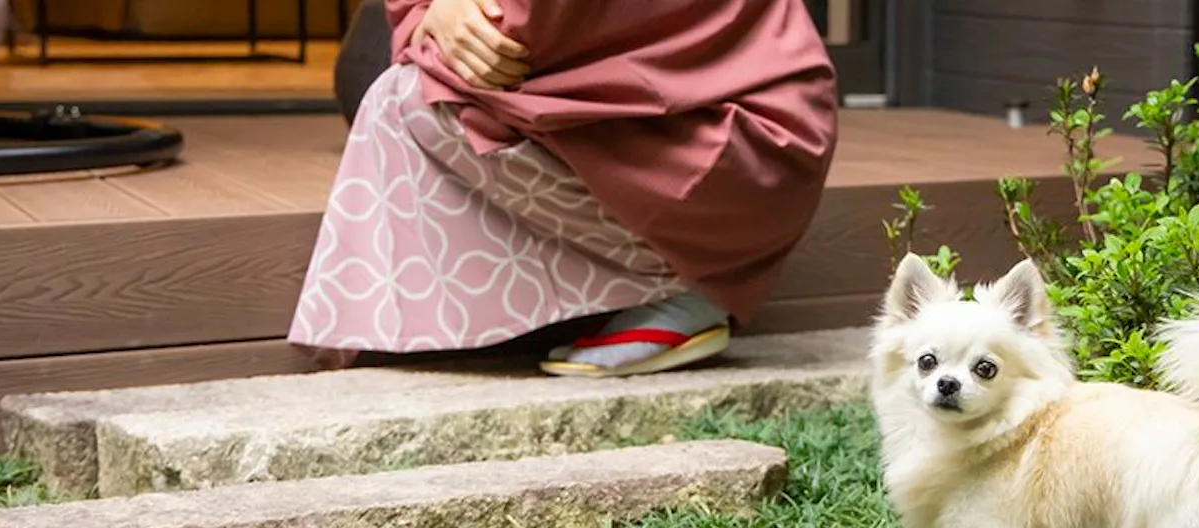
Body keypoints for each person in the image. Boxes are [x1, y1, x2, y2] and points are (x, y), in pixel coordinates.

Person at [289, 0, 840, 377]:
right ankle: (665, 283)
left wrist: (433, 18)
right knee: (416, 84)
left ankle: (682, 285)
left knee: (411, 99)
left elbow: (505, 44)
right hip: (747, 147)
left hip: (737, 155)